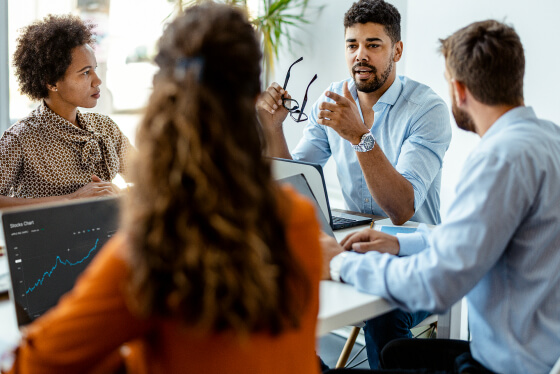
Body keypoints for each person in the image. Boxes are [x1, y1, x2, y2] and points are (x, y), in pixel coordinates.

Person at [5, 4, 322, 374]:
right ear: (255, 95)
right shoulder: (300, 218)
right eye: (85, 72)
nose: (97, 81)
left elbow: (34, 364)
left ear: (162, 98)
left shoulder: (150, 250)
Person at [322, 19, 560, 373]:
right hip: (532, 353)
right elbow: (472, 241)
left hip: (494, 366)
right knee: (396, 354)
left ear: (459, 90)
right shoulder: (547, 138)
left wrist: (340, 264)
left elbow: (435, 285)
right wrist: (399, 244)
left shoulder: (498, 161)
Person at [258, 0, 451, 368]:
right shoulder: (332, 100)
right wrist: (274, 128)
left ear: (397, 50)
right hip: (354, 245)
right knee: (277, 290)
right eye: (352, 45)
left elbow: (401, 209)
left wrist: (360, 137)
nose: (360, 55)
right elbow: (295, 181)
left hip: (416, 253)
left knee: (383, 316)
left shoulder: (427, 109)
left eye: (373, 45)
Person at [0, 14, 131, 208]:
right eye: (86, 72)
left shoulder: (106, 127)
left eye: (94, 69)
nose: (98, 81)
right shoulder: (21, 139)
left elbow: (150, 178)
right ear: (52, 82)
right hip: (49, 239)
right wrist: (70, 199)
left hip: (109, 237)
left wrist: (120, 194)